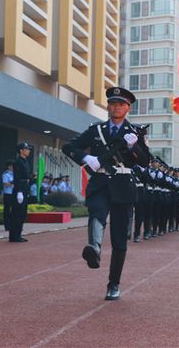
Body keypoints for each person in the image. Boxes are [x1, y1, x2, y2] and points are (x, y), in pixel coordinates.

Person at [62, 87, 150, 301]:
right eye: (113, 103)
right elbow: (69, 146)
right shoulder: (96, 130)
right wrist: (86, 158)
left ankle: (113, 283)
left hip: (123, 183)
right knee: (97, 213)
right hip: (100, 181)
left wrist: (134, 147)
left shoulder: (137, 132)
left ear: (128, 108)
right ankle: (94, 247)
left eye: (121, 104)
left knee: (120, 238)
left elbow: (146, 161)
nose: (116, 107)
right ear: (108, 106)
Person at [10, 143, 32, 242]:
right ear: (21, 151)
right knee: (17, 213)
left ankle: (18, 234)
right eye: (26, 149)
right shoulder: (18, 162)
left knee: (22, 214)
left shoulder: (26, 162)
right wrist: (19, 191)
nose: (28, 151)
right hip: (19, 190)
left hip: (24, 189)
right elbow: (17, 178)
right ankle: (14, 236)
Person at [2, 162, 14, 230]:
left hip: (13, 193)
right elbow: (5, 184)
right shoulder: (6, 175)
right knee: (7, 210)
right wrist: (12, 182)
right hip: (8, 194)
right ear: (9, 167)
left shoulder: (14, 174)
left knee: (13, 210)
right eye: (12, 166)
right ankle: (7, 226)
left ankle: (12, 224)